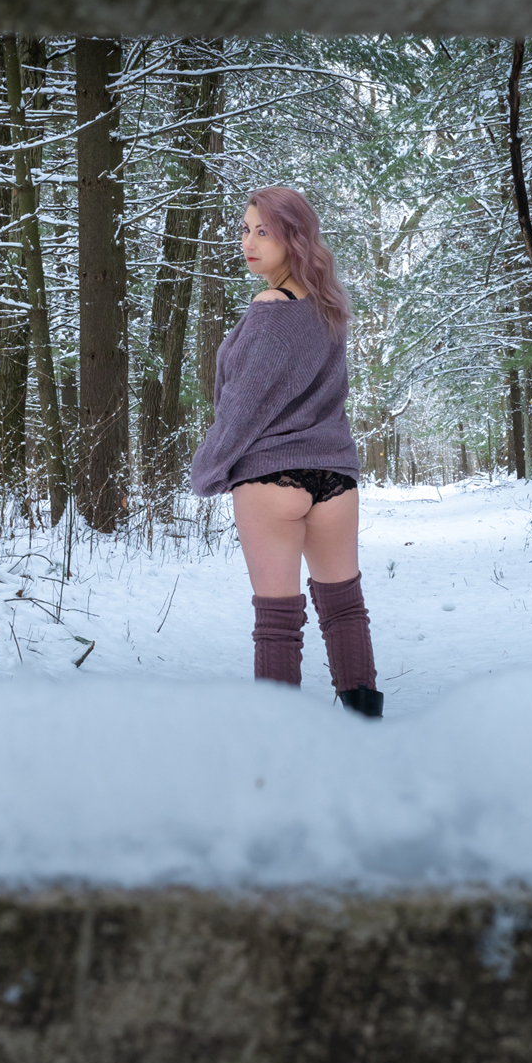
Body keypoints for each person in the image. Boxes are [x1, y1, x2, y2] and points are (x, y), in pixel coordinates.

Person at [189, 186, 381, 718]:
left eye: (263, 232)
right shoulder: (329, 309)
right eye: (245, 230)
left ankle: (278, 748)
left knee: (276, 619)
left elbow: (241, 406)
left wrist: (209, 468)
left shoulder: (269, 310)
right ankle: (366, 728)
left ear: (292, 237)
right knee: (344, 608)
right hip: (334, 477)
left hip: (272, 478)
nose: (248, 243)